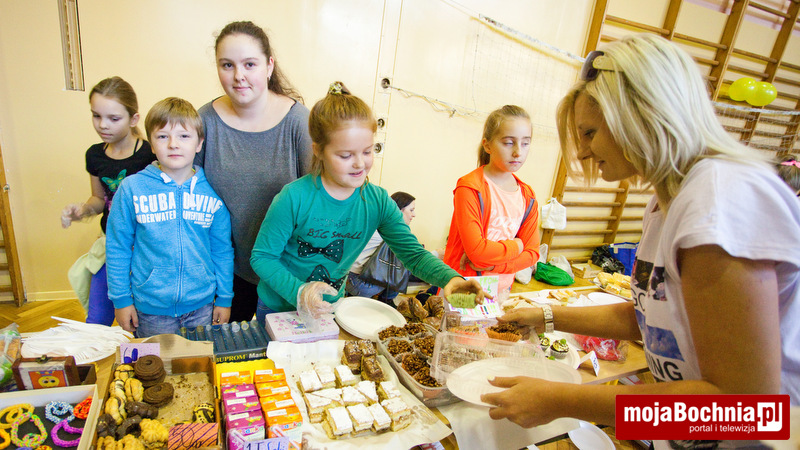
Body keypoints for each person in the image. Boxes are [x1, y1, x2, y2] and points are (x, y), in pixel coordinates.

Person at [482, 34, 800, 448]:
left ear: (639, 115)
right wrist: (543, 316)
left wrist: (564, 400)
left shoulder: (719, 201)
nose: (583, 151)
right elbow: (650, 316)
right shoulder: (666, 202)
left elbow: (746, 411)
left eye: (590, 132)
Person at [250, 82, 485, 324]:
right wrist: (299, 292)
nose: (360, 164)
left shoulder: (377, 201)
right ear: (318, 150)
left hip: (330, 308)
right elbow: (262, 257)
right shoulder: (293, 197)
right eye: (346, 155)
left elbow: (413, 255)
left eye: (367, 151)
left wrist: (450, 279)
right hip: (280, 308)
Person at [195, 21, 313, 323]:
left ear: (269, 65)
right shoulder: (203, 120)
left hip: (286, 273)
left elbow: (317, 198)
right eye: (227, 65)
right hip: (225, 274)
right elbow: (186, 193)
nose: (239, 76)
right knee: (228, 350)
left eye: (250, 64)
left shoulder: (299, 122)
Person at [106, 97, 234, 338]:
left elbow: (222, 251)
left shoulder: (214, 192)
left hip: (202, 307)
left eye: (184, 136)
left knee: (200, 359)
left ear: (199, 143)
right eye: (163, 136)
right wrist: (121, 300)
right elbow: (117, 247)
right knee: (157, 362)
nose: (173, 144)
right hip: (151, 311)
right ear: (152, 145)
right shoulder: (132, 189)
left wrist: (225, 298)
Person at [61, 76, 156, 325]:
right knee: (97, 320)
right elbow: (99, 198)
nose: (103, 125)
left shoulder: (151, 153)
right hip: (111, 247)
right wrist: (82, 210)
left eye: (114, 118)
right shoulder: (95, 155)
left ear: (133, 119)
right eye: (96, 116)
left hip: (146, 250)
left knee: (146, 321)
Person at [443, 105, 540, 297]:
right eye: (509, 143)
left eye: (525, 143)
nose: (518, 152)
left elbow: (532, 254)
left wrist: (493, 265)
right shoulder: (470, 188)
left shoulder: (527, 196)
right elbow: (477, 252)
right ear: (487, 146)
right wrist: (517, 246)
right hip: (464, 288)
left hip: (501, 289)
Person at [346, 191, 417, 302]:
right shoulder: (391, 228)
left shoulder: (376, 221)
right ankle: (386, 301)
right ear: (398, 209)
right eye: (411, 210)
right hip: (360, 283)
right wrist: (436, 254)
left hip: (347, 276)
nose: (414, 215)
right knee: (401, 270)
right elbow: (414, 257)